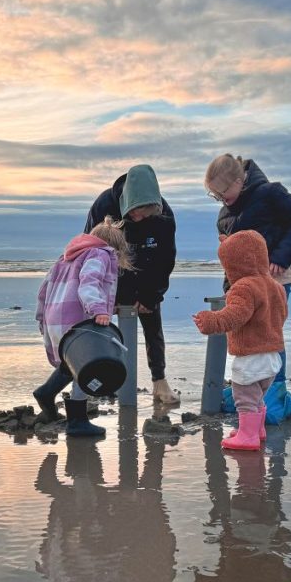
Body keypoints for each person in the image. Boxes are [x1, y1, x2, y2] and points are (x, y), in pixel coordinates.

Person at [204, 154, 291, 385]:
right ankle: (249, 385)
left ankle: (275, 388)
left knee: (268, 332)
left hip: (275, 276)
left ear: (238, 180)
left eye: (222, 192)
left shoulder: (271, 193)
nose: (221, 199)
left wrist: (281, 257)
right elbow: (230, 257)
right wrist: (229, 288)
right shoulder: (224, 215)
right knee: (245, 333)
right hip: (242, 283)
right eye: (215, 195)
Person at [85, 164, 180, 405]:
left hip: (147, 277)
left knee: (153, 325)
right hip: (111, 278)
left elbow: (165, 259)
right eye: (135, 212)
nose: (139, 218)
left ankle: (159, 381)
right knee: (101, 328)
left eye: (146, 213)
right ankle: (95, 383)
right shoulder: (104, 206)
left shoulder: (164, 215)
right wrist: (111, 297)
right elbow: (90, 254)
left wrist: (152, 296)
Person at [34, 217, 132, 437]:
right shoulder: (100, 254)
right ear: (115, 247)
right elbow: (90, 283)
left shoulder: (64, 259)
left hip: (56, 322)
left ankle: (46, 393)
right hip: (79, 321)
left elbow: (42, 291)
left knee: (72, 365)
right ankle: (77, 421)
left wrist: (42, 319)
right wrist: (99, 309)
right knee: (87, 366)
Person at [192, 230, 288, 450]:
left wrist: (210, 321)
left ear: (235, 263)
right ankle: (257, 429)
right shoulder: (276, 286)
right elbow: (282, 315)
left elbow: (234, 316)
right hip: (272, 355)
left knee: (244, 396)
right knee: (257, 396)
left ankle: (248, 436)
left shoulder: (243, 287)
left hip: (251, 354)